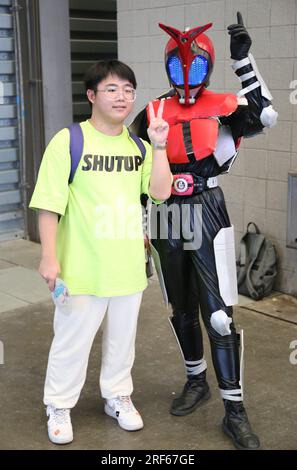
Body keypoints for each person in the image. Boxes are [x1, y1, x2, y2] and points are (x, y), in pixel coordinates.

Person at [130, 13, 277, 450]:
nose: (186, 76)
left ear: (207, 67)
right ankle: (197, 381)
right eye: (178, 66)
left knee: (218, 312)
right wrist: (137, 223)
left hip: (208, 208)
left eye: (194, 67)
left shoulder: (225, 105)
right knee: (180, 306)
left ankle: (235, 412)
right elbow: (134, 166)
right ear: (168, 67)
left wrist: (244, 62)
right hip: (163, 211)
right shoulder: (154, 110)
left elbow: (266, 116)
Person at [29, 59, 172, 445]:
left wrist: (160, 147)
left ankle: (117, 396)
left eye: (128, 90)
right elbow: (48, 204)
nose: (122, 97)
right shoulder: (69, 140)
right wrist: (49, 256)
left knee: (122, 342)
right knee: (72, 341)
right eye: (112, 89)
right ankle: (58, 404)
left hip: (127, 267)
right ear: (91, 95)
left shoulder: (140, 147)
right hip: (80, 268)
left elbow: (160, 193)